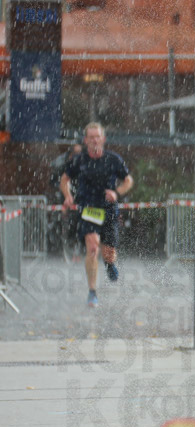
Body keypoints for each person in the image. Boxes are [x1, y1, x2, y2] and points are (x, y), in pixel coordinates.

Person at [60, 123, 133, 307]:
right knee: (92, 248)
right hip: (88, 208)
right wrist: (68, 196)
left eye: (97, 137)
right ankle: (92, 292)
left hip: (108, 208)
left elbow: (128, 180)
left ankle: (109, 264)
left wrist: (117, 192)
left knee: (109, 253)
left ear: (103, 139)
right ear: (85, 141)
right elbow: (64, 179)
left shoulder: (113, 159)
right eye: (91, 137)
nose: (94, 140)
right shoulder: (79, 160)